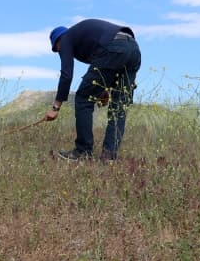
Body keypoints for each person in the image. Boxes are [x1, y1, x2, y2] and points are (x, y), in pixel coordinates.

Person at [45, 19, 141, 161]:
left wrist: (55, 107)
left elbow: (66, 75)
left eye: (57, 49)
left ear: (57, 41)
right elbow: (105, 67)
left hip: (113, 47)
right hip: (133, 48)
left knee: (83, 99)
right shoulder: (84, 38)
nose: (59, 52)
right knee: (118, 108)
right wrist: (104, 91)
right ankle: (108, 157)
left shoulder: (66, 38)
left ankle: (83, 152)